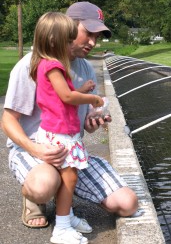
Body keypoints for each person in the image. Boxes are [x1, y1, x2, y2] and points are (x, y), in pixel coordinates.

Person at [1, 1, 138, 233]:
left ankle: (64, 194)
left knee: (127, 204)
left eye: (98, 36)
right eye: (88, 33)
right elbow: (8, 119)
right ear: (68, 26)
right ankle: (34, 196)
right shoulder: (32, 65)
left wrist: (93, 122)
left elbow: (80, 120)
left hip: (70, 149)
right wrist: (36, 150)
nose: (93, 42)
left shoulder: (85, 68)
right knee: (44, 185)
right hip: (33, 149)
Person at [30, 12, 105, 244]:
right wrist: (93, 99)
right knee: (70, 178)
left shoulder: (47, 64)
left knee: (68, 178)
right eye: (69, 39)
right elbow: (66, 96)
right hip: (61, 133)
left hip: (60, 130)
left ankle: (67, 216)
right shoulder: (53, 66)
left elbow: (58, 97)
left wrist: (83, 90)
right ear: (55, 41)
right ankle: (61, 228)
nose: (73, 44)